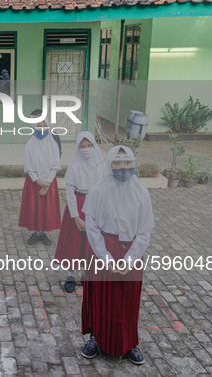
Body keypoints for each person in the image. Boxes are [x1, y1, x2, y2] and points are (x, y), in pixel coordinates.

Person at [80, 145, 155, 365]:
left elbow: (144, 230)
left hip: (132, 250)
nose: (122, 167)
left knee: (128, 300)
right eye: (117, 163)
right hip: (104, 249)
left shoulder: (142, 192)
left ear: (133, 164)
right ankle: (96, 338)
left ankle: (130, 342)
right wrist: (107, 259)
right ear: (109, 165)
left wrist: (130, 259)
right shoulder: (98, 191)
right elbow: (92, 229)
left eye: (126, 163)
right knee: (101, 298)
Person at [54, 131, 106, 293]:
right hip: (78, 205)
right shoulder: (74, 167)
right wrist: (75, 217)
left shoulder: (101, 165)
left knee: (91, 242)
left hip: (95, 206)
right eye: (82, 146)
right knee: (74, 241)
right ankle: (70, 274)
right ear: (78, 148)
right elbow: (70, 193)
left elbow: (105, 190)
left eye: (89, 145)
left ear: (94, 145)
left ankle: (85, 273)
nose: (86, 149)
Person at [18, 109, 62, 246]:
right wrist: (38, 181)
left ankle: (43, 233)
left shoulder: (53, 144)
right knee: (34, 207)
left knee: (46, 207)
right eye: (38, 126)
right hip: (34, 182)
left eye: (44, 126)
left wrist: (47, 183)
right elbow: (28, 165)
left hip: (49, 181)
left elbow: (56, 164)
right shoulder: (30, 144)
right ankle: (34, 232)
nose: (41, 128)